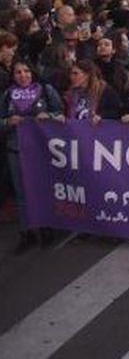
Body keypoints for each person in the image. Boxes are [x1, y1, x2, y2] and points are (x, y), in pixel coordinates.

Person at [0, 60, 63, 251]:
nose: (23, 75)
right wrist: (8, 121)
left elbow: (61, 113)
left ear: (33, 72)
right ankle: (26, 232)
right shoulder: (7, 95)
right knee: (22, 192)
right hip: (16, 149)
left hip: (41, 150)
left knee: (42, 189)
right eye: (18, 72)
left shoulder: (45, 89)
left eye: (26, 71)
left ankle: (46, 228)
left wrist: (49, 117)